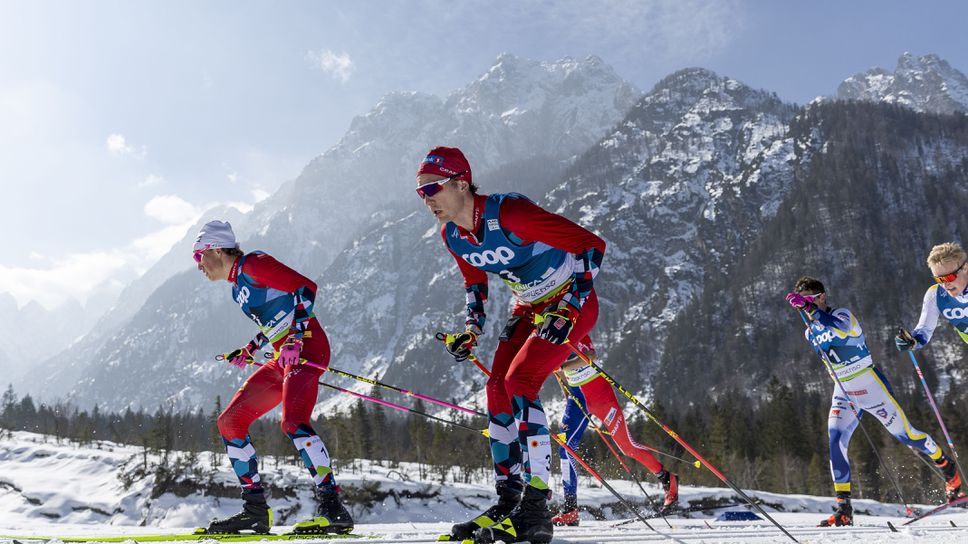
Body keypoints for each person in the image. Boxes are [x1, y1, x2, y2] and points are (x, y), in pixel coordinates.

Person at [416, 146, 605, 544]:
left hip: (572, 300)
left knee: (520, 381)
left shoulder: (510, 214)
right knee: (497, 389)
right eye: (420, 191)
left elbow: (591, 246)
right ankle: (509, 500)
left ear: (461, 182)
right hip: (530, 307)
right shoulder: (453, 235)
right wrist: (471, 330)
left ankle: (537, 509)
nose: (427, 198)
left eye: (432, 188)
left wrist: (570, 308)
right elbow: (475, 283)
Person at [193, 220, 352, 535]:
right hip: (284, 357)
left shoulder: (253, 264)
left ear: (215, 249)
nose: (199, 266)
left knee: (293, 422)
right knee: (230, 422)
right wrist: (250, 348)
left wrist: (294, 338)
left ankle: (333, 509)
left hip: (307, 349)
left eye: (199, 257)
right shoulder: (238, 287)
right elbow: (275, 319)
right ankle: (254, 512)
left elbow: (306, 288)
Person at [786, 276, 959, 527]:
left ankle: (947, 468)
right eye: (801, 303)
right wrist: (810, 313)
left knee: (907, 436)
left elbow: (841, 330)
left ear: (822, 297)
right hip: (844, 391)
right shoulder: (808, 331)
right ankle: (844, 509)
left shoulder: (844, 315)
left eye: (810, 300)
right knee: (835, 441)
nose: (805, 306)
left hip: (870, 385)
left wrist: (810, 308)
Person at [550, 335, 678, 526]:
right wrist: (562, 380)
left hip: (601, 397)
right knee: (565, 448)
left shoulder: (575, 327)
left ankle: (667, 478)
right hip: (577, 398)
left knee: (628, 447)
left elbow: (590, 356)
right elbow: (558, 369)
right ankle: (570, 509)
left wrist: (560, 367)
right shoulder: (549, 336)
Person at [895, 241, 968, 502]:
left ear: (965, 268)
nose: (945, 283)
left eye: (949, 276)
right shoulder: (935, 295)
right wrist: (912, 341)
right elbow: (924, 329)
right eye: (939, 278)